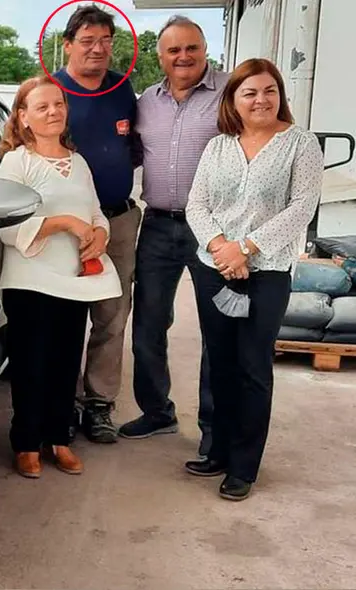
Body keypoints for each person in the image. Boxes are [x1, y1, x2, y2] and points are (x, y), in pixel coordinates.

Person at [183, 58, 323, 501]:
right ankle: (216, 450)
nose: (260, 100)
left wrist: (246, 249)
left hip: (268, 274)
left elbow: (301, 208)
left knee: (253, 368)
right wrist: (222, 248)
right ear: (233, 100)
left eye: (269, 91)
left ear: (280, 94)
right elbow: (197, 206)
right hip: (215, 269)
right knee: (218, 361)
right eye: (250, 92)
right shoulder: (219, 146)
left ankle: (244, 466)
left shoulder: (300, 144)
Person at [0, 75, 123, 479]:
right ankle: (26, 443)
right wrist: (62, 222)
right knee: (32, 364)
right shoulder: (18, 161)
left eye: (59, 105)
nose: (53, 112)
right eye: (42, 106)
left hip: (74, 279)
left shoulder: (78, 161)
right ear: (24, 117)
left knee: (67, 362)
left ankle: (59, 439)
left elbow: (96, 212)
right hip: (30, 279)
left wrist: (100, 233)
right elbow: (6, 227)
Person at [119, 16, 230, 462]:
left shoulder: (230, 93)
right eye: (173, 50)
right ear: (160, 56)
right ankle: (157, 411)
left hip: (216, 229)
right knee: (147, 324)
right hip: (159, 224)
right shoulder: (147, 101)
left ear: (205, 49)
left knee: (217, 328)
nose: (183, 57)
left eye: (191, 48)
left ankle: (213, 429)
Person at [51, 3, 142, 444]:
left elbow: (136, 145)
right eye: (87, 41)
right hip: (65, 226)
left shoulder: (124, 90)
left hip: (119, 220)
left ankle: (99, 405)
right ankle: (62, 403)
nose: (98, 49)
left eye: (105, 41)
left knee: (111, 315)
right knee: (65, 317)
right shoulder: (51, 91)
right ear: (68, 45)